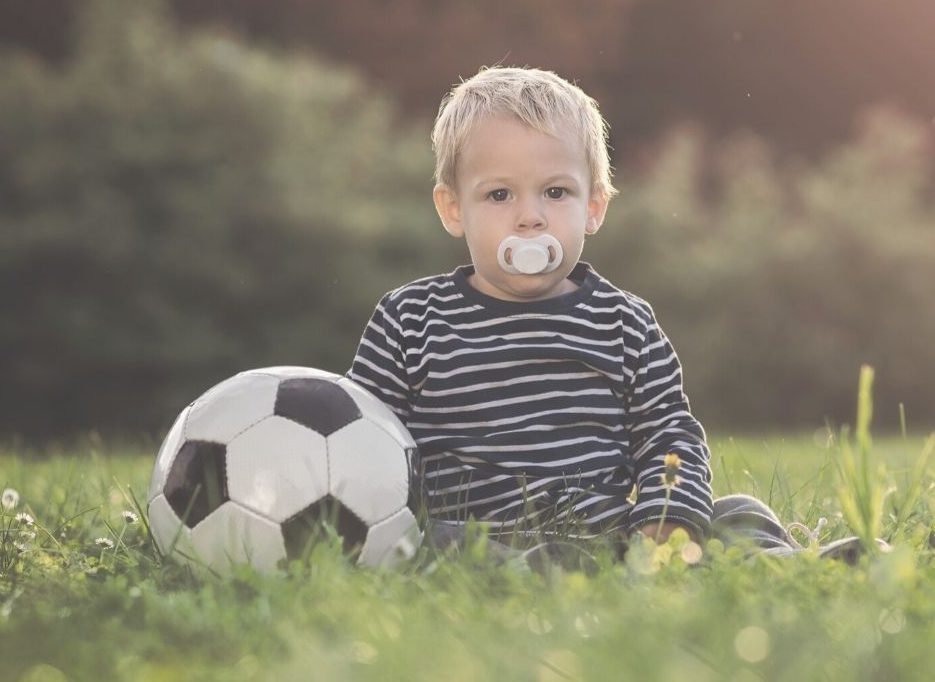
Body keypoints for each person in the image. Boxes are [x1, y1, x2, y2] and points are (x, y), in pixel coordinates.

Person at [347, 66, 882, 567]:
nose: (530, 217)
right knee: (432, 541)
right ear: (453, 209)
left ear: (595, 206)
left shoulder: (624, 323)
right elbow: (357, 440)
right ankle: (541, 567)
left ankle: (789, 565)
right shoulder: (408, 320)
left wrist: (665, 518)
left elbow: (667, 434)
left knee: (732, 511)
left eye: (556, 192)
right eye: (499, 194)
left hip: (608, 536)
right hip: (478, 537)